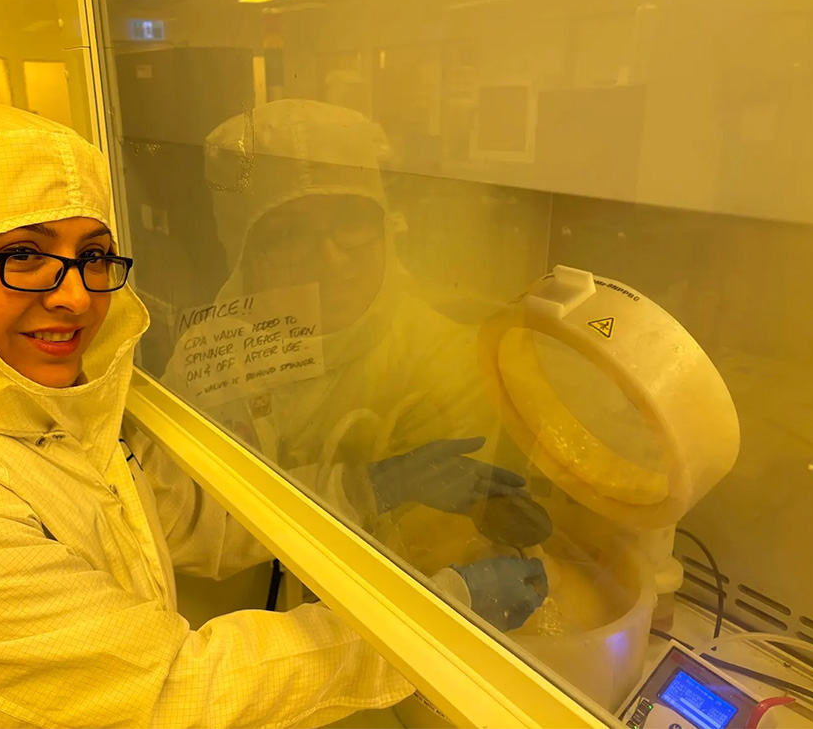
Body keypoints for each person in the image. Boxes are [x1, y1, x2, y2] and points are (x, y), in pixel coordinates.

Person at [0, 104, 417, 727]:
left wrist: (368, 488)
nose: (75, 295)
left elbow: (166, 516)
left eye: (94, 256)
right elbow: (172, 692)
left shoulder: (35, 408)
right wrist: (426, 634)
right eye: (24, 255)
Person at [156, 100, 552, 628]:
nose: (331, 256)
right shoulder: (210, 355)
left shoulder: (443, 358)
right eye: (289, 233)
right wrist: (370, 487)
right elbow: (183, 520)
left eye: (351, 222)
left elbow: (432, 553)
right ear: (244, 249)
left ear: (387, 227)